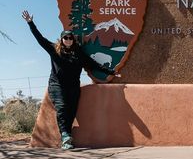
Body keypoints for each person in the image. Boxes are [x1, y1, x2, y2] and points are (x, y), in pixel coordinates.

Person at [22, 10, 120, 150]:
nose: (68, 40)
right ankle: (66, 136)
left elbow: (93, 64)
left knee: (71, 111)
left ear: (73, 40)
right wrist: (30, 23)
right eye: (65, 38)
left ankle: (66, 137)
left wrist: (111, 72)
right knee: (62, 107)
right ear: (61, 39)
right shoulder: (54, 49)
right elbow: (40, 39)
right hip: (57, 85)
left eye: (70, 38)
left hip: (73, 86)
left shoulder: (78, 53)